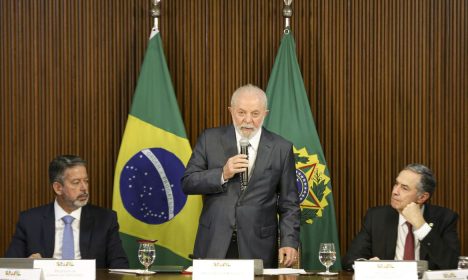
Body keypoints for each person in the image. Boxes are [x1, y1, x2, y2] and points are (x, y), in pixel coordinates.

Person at [182, 84, 300, 268]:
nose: (247, 120)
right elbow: (188, 182)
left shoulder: (281, 148)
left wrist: (289, 241)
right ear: (231, 111)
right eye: (241, 112)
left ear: (265, 113)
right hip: (215, 243)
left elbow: (289, 203)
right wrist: (222, 174)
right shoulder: (209, 139)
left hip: (259, 245)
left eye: (255, 114)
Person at [5, 155, 129, 269]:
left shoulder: (105, 219)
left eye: (86, 181)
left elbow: (120, 267)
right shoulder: (30, 221)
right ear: (58, 188)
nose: (84, 188)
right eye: (76, 182)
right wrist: (28, 265)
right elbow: (9, 268)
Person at [342, 163, 460, 270]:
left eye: (404, 188)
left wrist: (421, 226)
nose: (395, 191)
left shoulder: (445, 218)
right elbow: (350, 260)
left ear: (422, 197)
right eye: (396, 184)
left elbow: (451, 264)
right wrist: (368, 265)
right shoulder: (376, 217)